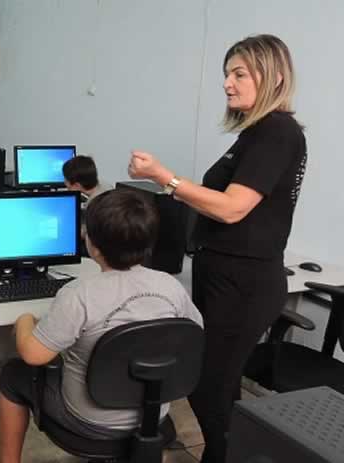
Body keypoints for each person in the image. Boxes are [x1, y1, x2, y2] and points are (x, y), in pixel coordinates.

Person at [127, 34, 306, 463]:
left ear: (275, 77)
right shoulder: (256, 133)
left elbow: (231, 208)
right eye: (227, 74)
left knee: (210, 385)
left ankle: (225, 454)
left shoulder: (277, 132)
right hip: (224, 277)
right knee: (214, 383)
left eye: (239, 74)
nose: (227, 83)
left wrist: (165, 178)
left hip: (245, 283)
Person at [0, 189, 203, 463]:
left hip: (90, 422)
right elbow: (193, 334)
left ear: (91, 243)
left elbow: (33, 355)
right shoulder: (170, 285)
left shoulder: (79, 294)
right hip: (154, 415)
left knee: (12, 375)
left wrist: (25, 320)